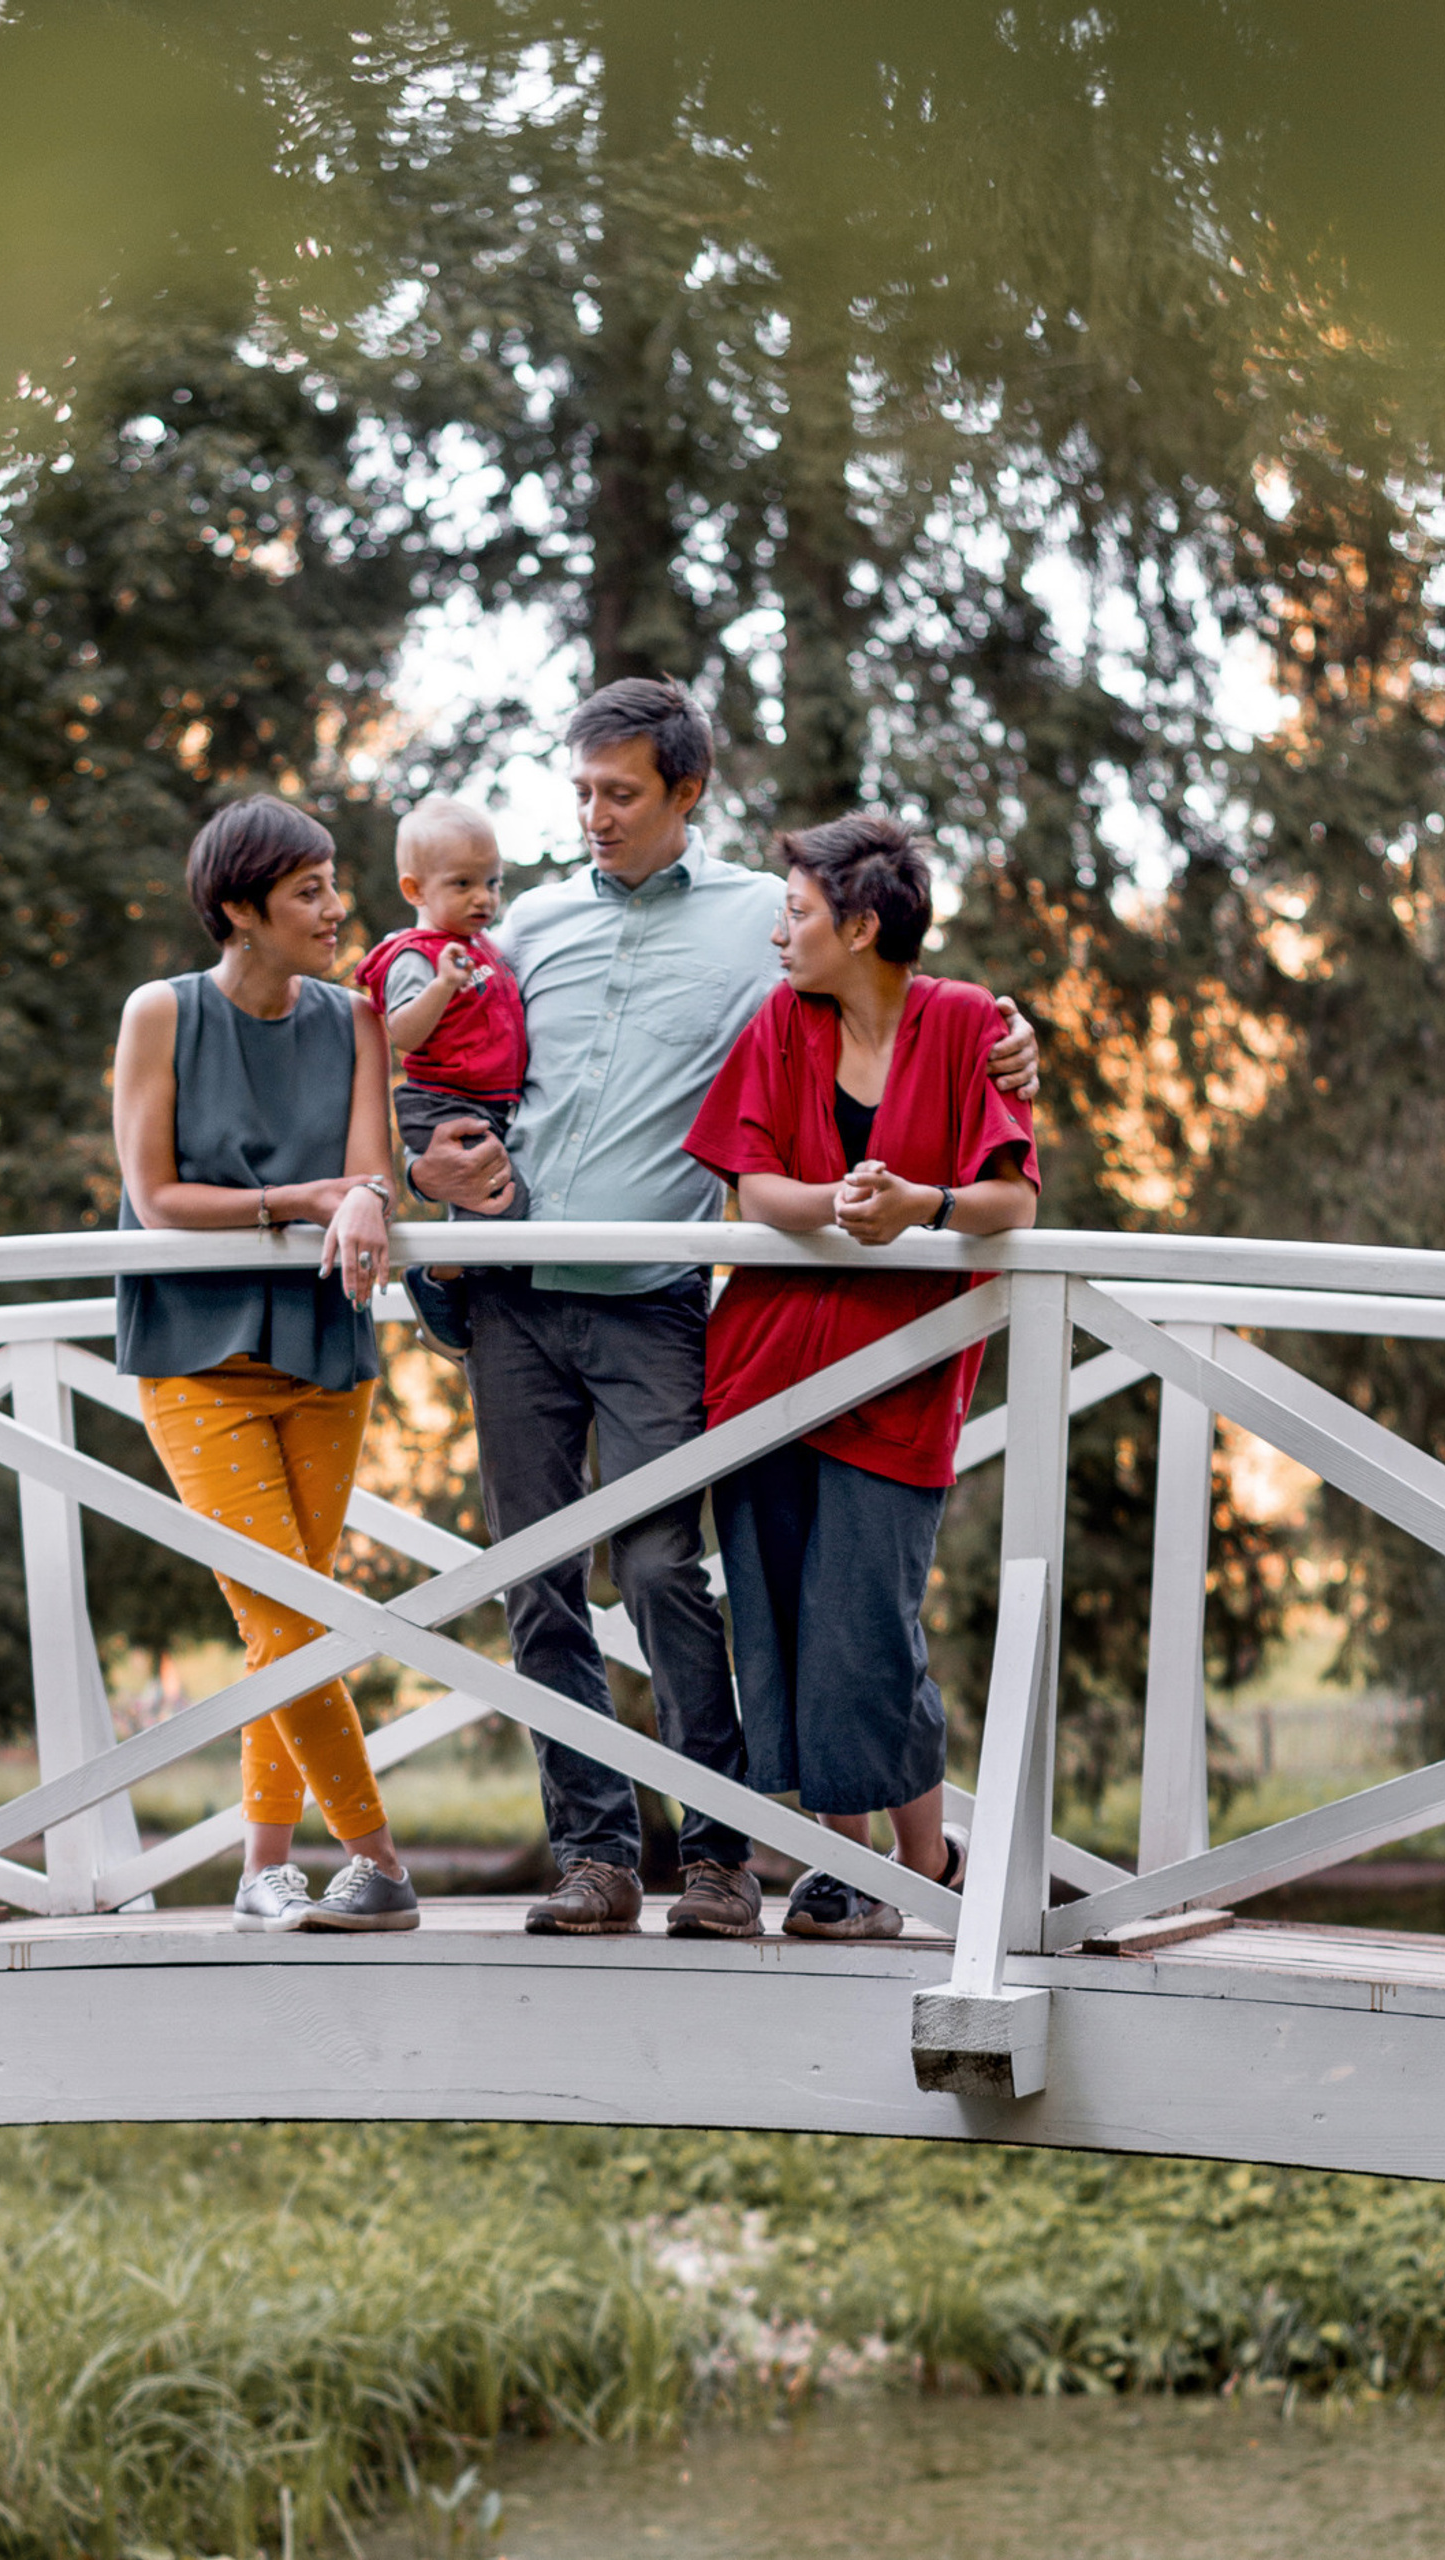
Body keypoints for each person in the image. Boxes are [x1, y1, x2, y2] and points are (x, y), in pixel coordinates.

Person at [405, 678, 1041, 1940]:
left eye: (620, 793)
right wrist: (426, 1172)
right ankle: (593, 1858)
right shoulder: (525, 924)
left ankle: (716, 1856)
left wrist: (1010, 1034)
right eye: (582, 792)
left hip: (652, 1306)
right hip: (514, 1300)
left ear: (685, 792)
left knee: (660, 1568)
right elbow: (434, 1050)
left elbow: (898, 982)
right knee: (536, 1584)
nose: (593, 816)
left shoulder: (766, 918)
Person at [684, 814, 1039, 1939]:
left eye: (795, 914)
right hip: (763, 1371)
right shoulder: (780, 1022)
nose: (779, 934)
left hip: (903, 1377)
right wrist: (840, 1207)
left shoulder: (970, 1022)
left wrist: (923, 1205)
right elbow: (751, 1186)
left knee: (867, 1631)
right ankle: (841, 1869)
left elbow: (1011, 1200)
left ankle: (923, 1864)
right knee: (780, 1626)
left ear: (861, 926)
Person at [112, 794, 421, 1936]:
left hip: (325, 1346)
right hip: (194, 1351)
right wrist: (302, 1200)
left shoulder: (357, 1020)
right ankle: (379, 1862)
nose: (336, 908)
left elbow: (369, 1172)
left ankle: (263, 1870)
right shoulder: (162, 1012)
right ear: (241, 910)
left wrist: (367, 1195)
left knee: (281, 1622)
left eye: (332, 883)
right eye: (308, 891)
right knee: (289, 1618)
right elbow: (156, 1199)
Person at [351, 797, 531, 1351]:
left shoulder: (481, 948)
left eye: (493, 883)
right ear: (414, 890)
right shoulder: (416, 957)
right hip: (443, 1101)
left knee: (499, 1202)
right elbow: (403, 1031)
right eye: (463, 884)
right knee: (502, 1200)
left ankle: (465, 1290)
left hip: (486, 1099)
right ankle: (435, 1280)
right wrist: (443, 985)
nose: (484, 898)